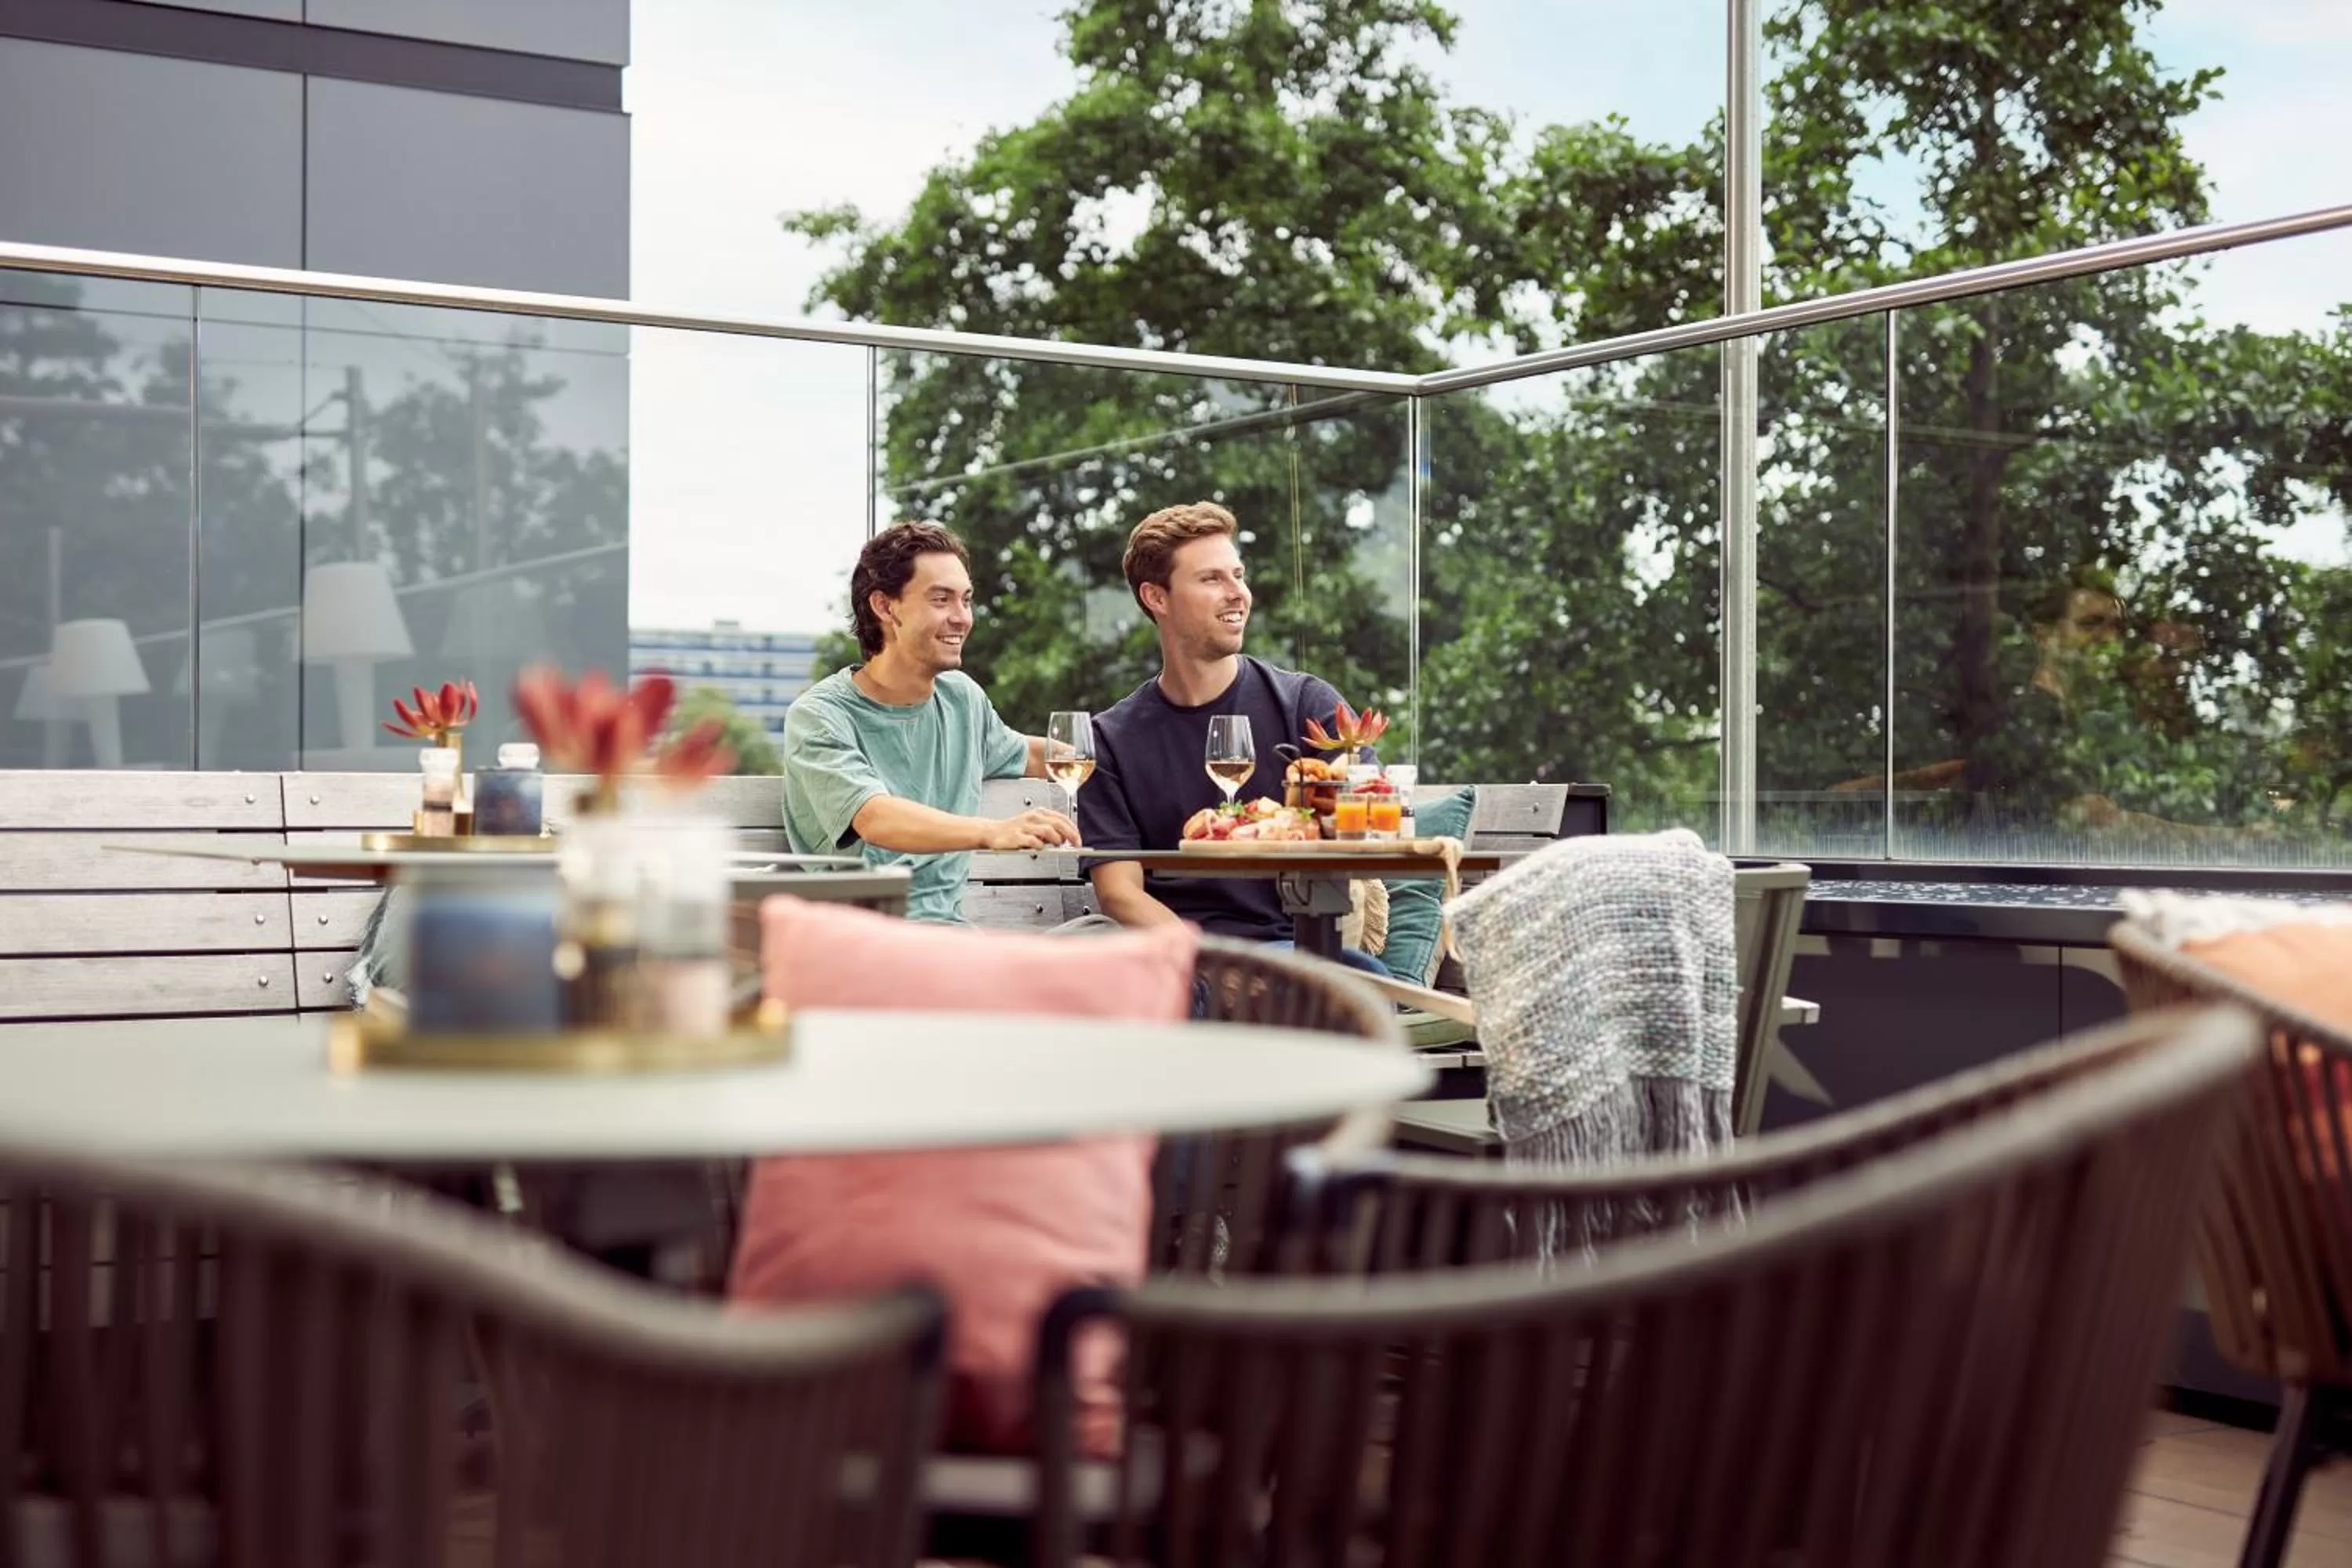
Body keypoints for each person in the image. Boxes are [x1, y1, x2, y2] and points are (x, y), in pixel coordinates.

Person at [1076, 501, 1390, 975]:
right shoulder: (1110, 740)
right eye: (1211, 579)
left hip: (1297, 946)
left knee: (1364, 984)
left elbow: (1369, 815)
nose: (1237, 593)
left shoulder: (1306, 705)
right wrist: (1218, 968)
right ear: (1156, 597)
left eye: (1238, 575)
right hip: (1182, 957)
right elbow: (1119, 891)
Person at [783, 521, 1079, 924]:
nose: (963, 618)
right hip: (863, 939)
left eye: (966, 600)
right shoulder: (820, 717)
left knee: (1103, 940)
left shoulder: (962, 700)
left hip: (950, 938)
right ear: (885, 607)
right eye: (941, 600)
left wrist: (1129, 753)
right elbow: (875, 818)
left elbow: (1031, 753)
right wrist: (991, 831)